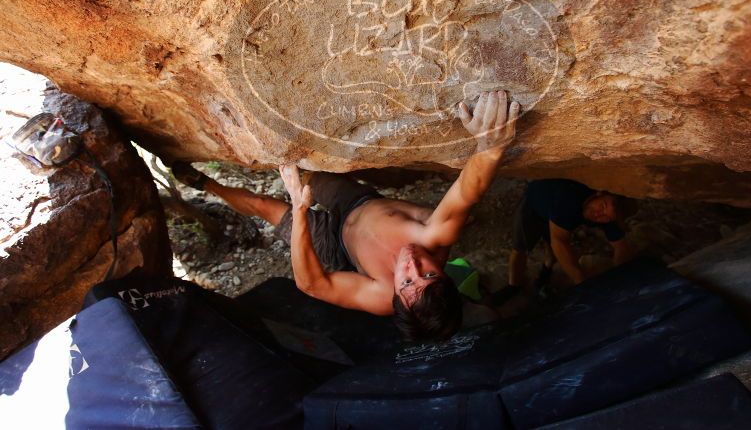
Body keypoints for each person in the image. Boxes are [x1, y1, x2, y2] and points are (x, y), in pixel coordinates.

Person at [173, 91, 519, 341]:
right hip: (360, 202)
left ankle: (206, 184)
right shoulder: (431, 236)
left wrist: (298, 207)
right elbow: (466, 194)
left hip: (337, 247)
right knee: (308, 167)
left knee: (267, 207)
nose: (412, 264)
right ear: (444, 273)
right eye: (428, 273)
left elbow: (312, 284)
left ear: (396, 295)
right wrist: (491, 147)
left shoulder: (382, 298)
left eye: (408, 282)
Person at [508, 179, 637, 287]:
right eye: (602, 206)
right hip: (534, 204)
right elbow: (559, 241)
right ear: (599, 193)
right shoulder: (570, 198)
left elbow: (621, 247)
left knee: (551, 245)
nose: (599, 214)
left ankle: (547, 269)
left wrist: (622, 277)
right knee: (521, 248)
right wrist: (581, 281)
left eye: (607, 217)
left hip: (555, 214)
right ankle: (513, 286)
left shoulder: (607, 214)